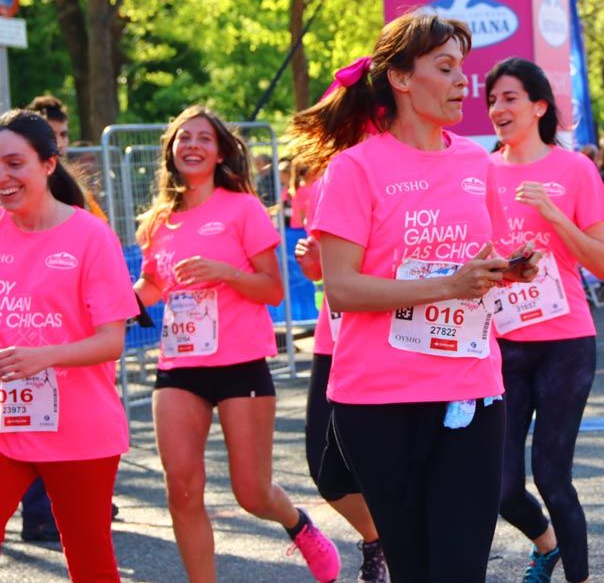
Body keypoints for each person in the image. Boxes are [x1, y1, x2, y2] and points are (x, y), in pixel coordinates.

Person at [295, 11, 538, 582]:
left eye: (463, 68)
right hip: (379, 402)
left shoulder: (476, 162)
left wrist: (510, 268)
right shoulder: (354, 168)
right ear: (402, 79)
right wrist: (448, 286)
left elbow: (480, 259)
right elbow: (343, 289)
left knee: (459, 570)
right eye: (446, 68)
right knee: (415, 571)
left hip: (471, 390)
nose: (463, 83)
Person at [133, 106, 339, 583]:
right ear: (171, 151)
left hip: (240, 363)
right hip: (179, 366)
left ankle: (298, 525)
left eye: (204, 138)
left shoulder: (242, 208)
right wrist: (114, 302)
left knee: (251, 492)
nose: (192, 146)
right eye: (183, 138)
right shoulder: (158, 222)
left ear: (220, 151)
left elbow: (272, 289)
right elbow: (151, 286)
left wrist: (223, 273)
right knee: (181, 489)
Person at [485, 58, 604, 583]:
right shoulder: (480, 173)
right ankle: (547, 544)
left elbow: (603, 262)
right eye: (492, 99)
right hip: (503, 341)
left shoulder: (574, 169)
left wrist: (555, 216)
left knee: (553, 475)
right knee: (501, 485)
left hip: (565, 341)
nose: (498, 108)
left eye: (509, 97)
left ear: (539, 106)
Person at [0, 110, 135, 581]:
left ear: (48, 165)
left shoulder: (90, 236)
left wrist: (44, 356)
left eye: (15, 163)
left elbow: (111, 340)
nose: (3, 176)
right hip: (5, 423)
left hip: (79, 426)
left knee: (89, 560)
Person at [289, 57, 388, 583]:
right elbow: (334, 276)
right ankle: (381, 540)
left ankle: (398, 543)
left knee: (391, 466)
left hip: (395, 339)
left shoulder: (392, 162)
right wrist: (315, 266)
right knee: (327, 470)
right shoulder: (330, 176)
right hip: (337, 338)